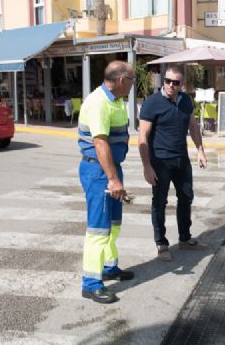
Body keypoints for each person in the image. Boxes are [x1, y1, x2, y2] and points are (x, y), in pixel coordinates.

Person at [78, 61, 136, 304]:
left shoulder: (115, 100)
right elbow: (100, 143)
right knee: (98, 228)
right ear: (122, 81)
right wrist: (112, 179)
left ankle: (110, 267)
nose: (134, 85)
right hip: (99, 171)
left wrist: (116, 175)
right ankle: (91, 283)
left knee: (113, 224)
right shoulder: (99, 102)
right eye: (132, 80)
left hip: (111, 169)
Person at [138, 65, 208, 261]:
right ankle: (161, 243)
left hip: (181, 159)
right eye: (167, 81)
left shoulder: (186, 101)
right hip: (160, 161)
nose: (170, 85)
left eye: (175, 82)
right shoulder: (152, 103)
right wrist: (147, 166)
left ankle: (185, 238)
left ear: (182, 84)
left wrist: (200, 150)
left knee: (186, 197)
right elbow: (143, 135)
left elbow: (192, 126)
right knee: (159, 202)